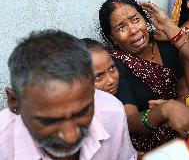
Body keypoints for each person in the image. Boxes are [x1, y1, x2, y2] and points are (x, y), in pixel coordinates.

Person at [0, 30, 137, 160]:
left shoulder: (112, 113)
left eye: (82, 113)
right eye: (49, 121)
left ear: (92, 88)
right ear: (14, 102)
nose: (70, 136)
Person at [99, 0, 189, 152]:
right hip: (147, 146)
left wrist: (179, 106)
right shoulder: (115, 65)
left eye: (136, 20)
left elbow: (184, 88)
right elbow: (130, 122)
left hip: (183, 126)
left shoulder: (165, 45)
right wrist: (164, 111)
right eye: (121, 28)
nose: (133, 30)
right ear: (112, 37)